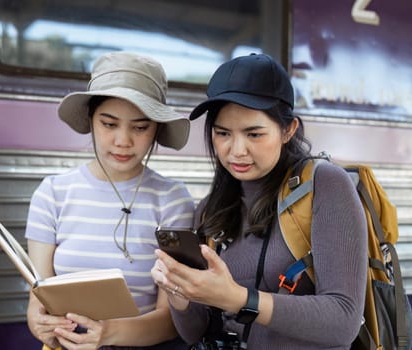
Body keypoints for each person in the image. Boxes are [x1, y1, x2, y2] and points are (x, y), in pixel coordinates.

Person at [151, 53, 368, 349]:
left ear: (288, 130)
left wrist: (239, 299)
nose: (236, 150)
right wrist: (179, 293)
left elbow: (344, 320)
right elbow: (195, 331)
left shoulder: (325, 185)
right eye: (222, 133)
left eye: (254, 134)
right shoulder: (209, 210)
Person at [25, 51, 195, 350]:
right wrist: (41, 324)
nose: (123, 141)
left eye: (140, 127)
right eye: (109, 124)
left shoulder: (171, 199)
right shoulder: (52, 193)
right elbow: (37, 301)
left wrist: (108, 334)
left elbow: (171, 320)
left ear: (156, 129)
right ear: (91, 120)